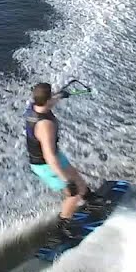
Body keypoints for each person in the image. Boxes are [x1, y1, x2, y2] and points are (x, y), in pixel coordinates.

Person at [25, 82, 101, 241]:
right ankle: (63, 226)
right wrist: (66, 181)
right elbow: (49, 156)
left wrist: (61, 95)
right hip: (46, 164)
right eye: (52, 96)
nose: (53, 98)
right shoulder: (45, 125)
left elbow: (49, 101)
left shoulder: (35, 106)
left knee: (76, 175)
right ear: (47, 99)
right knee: (72, 192)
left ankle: (88, 198)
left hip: (54, 157)